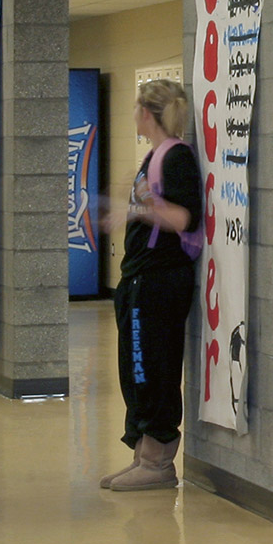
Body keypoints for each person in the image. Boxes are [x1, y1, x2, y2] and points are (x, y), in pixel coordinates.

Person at [101, 79, 201, 492]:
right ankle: (143, 453)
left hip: (159, 280)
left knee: (152, 368)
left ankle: (159, 459)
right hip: (141, 276)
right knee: (135, 368)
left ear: (147, 112)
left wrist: (147, 209)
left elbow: (182, 218)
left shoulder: (175, 156)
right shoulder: (155, 155)